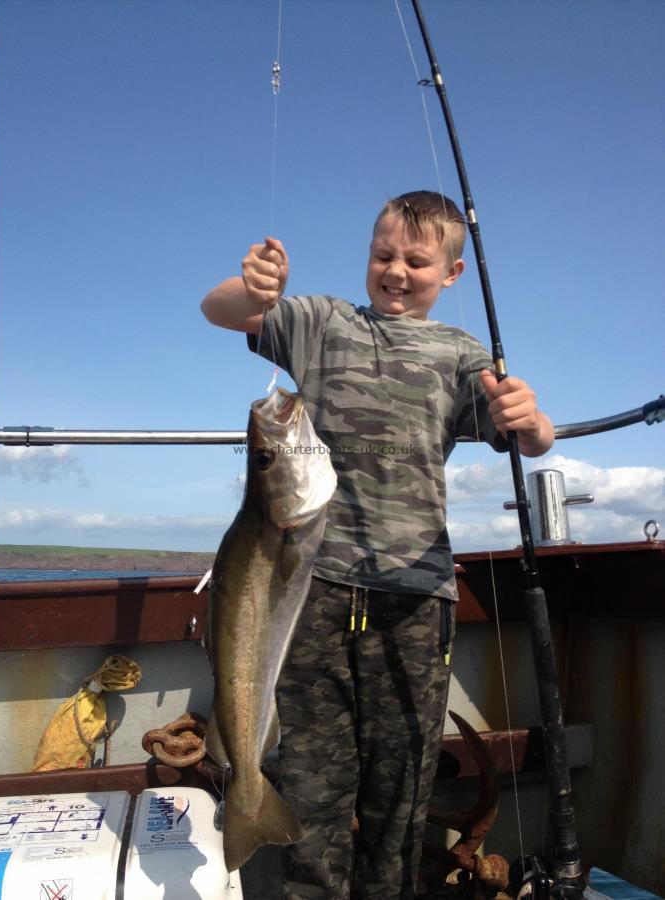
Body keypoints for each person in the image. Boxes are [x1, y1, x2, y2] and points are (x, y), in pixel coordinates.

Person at [201, 190, 554, 900]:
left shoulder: (461, 354)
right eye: (382, 255)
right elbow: (223, 311)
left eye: (415, 261)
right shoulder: (322, 322)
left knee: (402, 783)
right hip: (312, 589)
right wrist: (252, 287)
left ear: (450, 274)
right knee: (308, 776)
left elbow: (525, 438)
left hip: (415, 595)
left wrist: (533, 417)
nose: (395, 271)